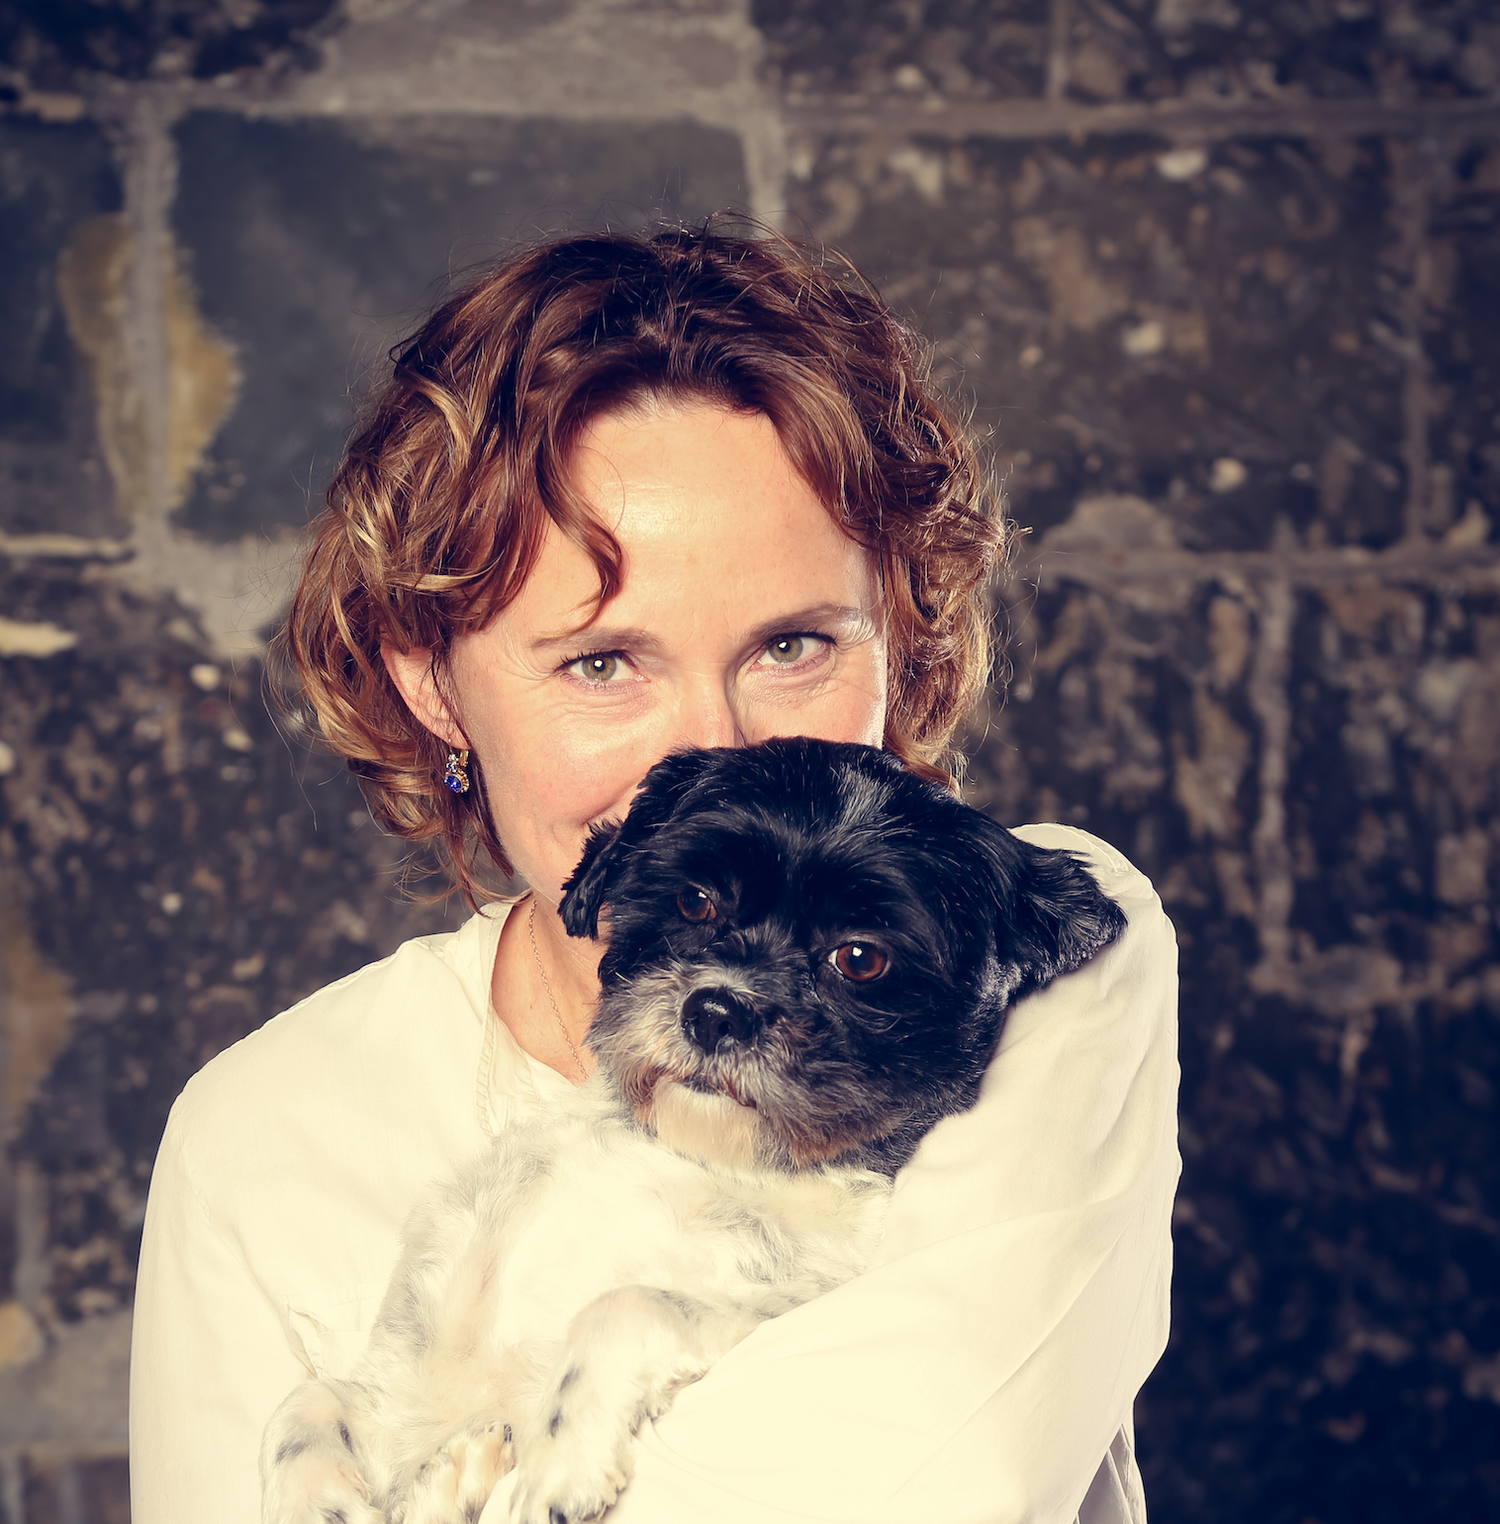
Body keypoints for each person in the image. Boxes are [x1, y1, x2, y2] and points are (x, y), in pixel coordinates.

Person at [129, 222, 1179, 1524]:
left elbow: (947, 1484)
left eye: (793, 644)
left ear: (902, 641)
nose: (713, 753)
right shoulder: (260, 1138)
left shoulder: (1049, 946)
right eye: (602, 662)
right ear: (432, 684)